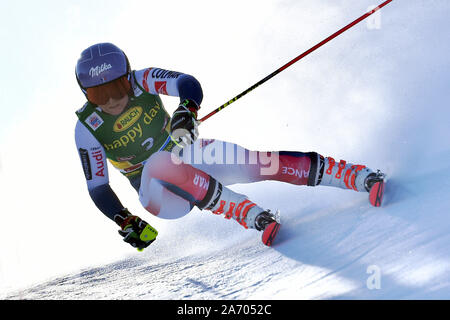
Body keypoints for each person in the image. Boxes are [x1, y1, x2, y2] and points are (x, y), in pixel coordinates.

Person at [74, 43, 385, 250]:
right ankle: (246, 213)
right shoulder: (88, 128)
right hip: (158, 194)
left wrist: (187, 108)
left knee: (256, 163)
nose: (112, 100)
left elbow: (186, 82)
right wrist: (124, 218)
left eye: (117, 87)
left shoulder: (143, 80)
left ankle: (354, 176)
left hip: (187, 156)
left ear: (128, 78)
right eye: (100, 96)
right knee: (158, 163)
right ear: (86, 95)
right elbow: (99, 188)